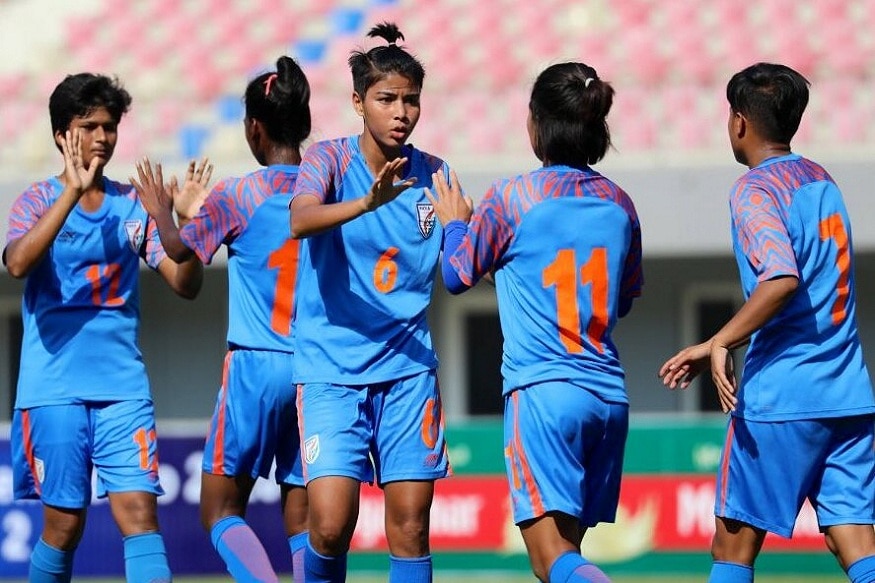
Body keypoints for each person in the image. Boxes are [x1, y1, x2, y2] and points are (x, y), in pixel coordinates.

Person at [425, 62, 643, 583]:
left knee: (551, 561)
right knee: (568, 556)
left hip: (544, 393)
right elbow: (623, 298)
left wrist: (457, 225)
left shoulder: (514, 197)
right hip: (607, 396)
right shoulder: (620, 203)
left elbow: (456, 276)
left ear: (536, 124)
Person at [658, 62, 875, 583]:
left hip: (782, 396)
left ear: (738, 122)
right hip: (848, 394)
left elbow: (780, 279)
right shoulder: (823, 181)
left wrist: (718, 341)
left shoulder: (755, 190)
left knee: (732, 544)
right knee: (856, 539)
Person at [3, 73, 205, 582]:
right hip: (54, 390)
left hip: (122, 389)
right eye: (88, 126)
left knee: (140, 517)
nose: (101, 137)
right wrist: (70, 194)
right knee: (64, 526)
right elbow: (19, 264)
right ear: (60, 135)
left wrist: (181, 231)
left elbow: (185, 283)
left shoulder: (131, 205)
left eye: (109, 127)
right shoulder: (34, 201)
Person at [132, 56, 313, 583]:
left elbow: (179, 254)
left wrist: (165, 209)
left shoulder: (240, 195)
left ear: (254, 130)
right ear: (302, 125)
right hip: (316, 371)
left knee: (218, 511)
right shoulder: (328, 192)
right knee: (301, 516)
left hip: (255, 368)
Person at [289, 22, 451, 583]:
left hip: (408, 373)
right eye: (387, 99)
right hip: (331, 370)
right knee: (331, 525)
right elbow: (301, 220)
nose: (401, 112)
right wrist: (366, 203)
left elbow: (454, 275)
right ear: (358, 103)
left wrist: (468, 234)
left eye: (411, 100)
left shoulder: (437, 175)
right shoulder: (328, 161)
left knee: (410, 527)